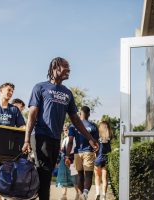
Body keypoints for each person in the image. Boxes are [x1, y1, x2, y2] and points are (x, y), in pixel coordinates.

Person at [21, 57, 99, 200]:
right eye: (65, 66)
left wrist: (90, 138)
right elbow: (32, 115)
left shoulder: (67, 92)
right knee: (44, 173)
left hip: (56, 138)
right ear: (54, 68)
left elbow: (75, 119)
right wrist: (26, 140)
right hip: (40, 136)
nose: (69, 69)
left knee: (47, 173)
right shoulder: (40, 87)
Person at [66, 106, 99, 200]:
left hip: (77, 153)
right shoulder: (93, 126)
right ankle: (85, 194)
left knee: (80, 175)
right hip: (88, 152)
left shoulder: (73, 125)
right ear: (89, 114)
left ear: (80, 113)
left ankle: (81, 195)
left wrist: (67, 156)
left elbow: (70, 141)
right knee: (88, 175)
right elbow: (94, 142)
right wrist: (96, 148)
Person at [57, 124, 80, 200]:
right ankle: (64, 194)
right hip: (64, 161)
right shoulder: (64, 139)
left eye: (66, 130)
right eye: (64, 130)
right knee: (64, 177)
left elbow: (72, 150)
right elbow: (62, 151)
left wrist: (69, 159)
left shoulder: (72, 139)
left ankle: (78, 193)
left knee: (74, 178)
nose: (65, 131)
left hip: (72, 161)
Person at [94, 121, 112, 200]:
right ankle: (104, 195)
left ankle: (97, 192)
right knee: (104, 179)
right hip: (106, 160)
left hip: (98, 160)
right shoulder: (108, 139)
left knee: (97, 177)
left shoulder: (97, 139)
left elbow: (95, 150)